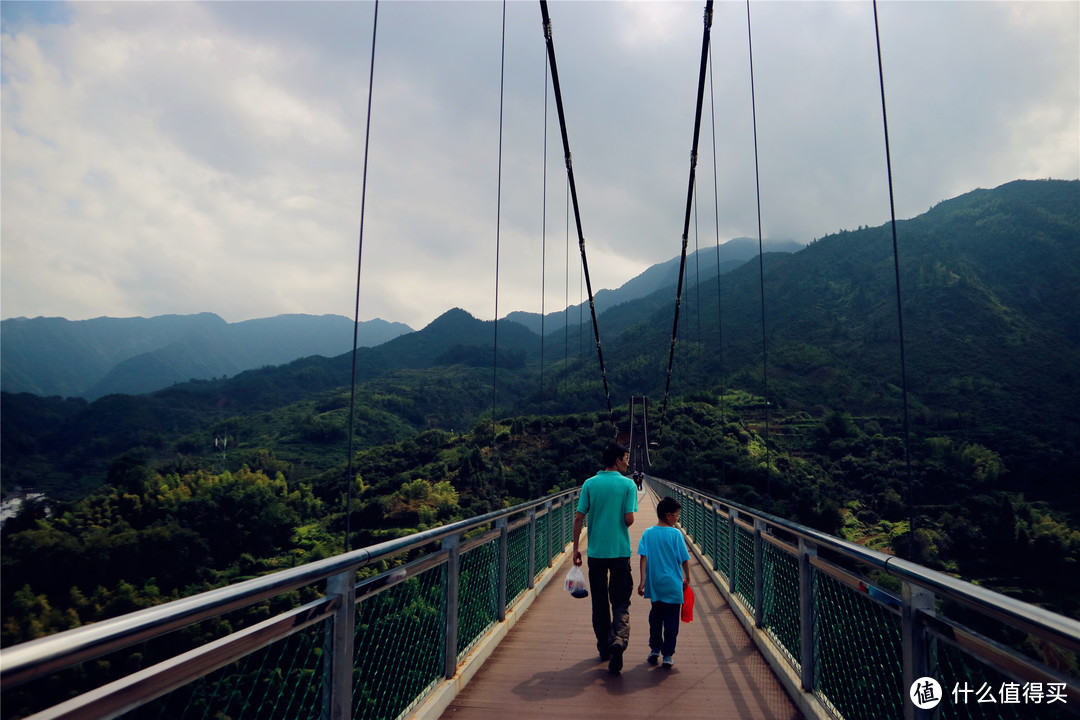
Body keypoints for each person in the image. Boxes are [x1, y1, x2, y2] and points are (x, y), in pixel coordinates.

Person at [572, 441, 638, 674]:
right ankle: (618, 640)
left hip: (596, 553)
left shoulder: (590, 483)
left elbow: (579, 518)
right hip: (620, 552)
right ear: (618, 460)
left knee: (599, 602)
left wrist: (575, 550)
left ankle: (603, 647)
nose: (628, 462)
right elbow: (629, 519)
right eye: (626, 458)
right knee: (620, 600)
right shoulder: (628, 485)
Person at [636, 496, 690, 669]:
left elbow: (643, 557)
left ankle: (654, 649)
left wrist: (643, 580)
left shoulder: (648, 533)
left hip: (655, 585)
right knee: (672, 621)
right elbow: (684, 559)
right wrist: (687, 578)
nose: (677, 518)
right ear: (668, 516)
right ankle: (667, 654)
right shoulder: (676, 534)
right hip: (674, 586)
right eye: (677, 515)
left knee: (655, 618)